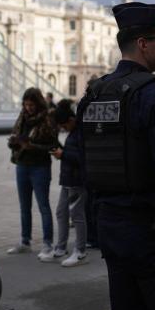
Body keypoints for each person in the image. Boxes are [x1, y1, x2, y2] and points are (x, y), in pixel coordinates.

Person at [78, 1, 155, 310]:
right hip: (154, 236)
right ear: (143, 44)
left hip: (111, 230)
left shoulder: (94, 96)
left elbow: (81, 167)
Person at [7, 87, 58, 260]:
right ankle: (25, 241)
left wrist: (32, 146)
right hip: (22, 164)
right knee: (24, 206)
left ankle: (48, 244)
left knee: (43, 206)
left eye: (31, 105)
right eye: (25, 104)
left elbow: (53, 146)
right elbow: (15, 134)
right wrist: (14, 142)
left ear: (38, 103)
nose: (28, 108)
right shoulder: (22, 117)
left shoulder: (47, 119)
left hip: (40, 167)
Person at [50, 99, 89, 267]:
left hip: (77, 180)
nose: (63, 129)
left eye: (64, 126)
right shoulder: (74, 132)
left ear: (72, 120)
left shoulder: (81, 133)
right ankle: (61, 247)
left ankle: (80, 251)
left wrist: (62, 154)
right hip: (68, 179)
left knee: (77, 215)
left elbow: (83, 158)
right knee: (61, 212)